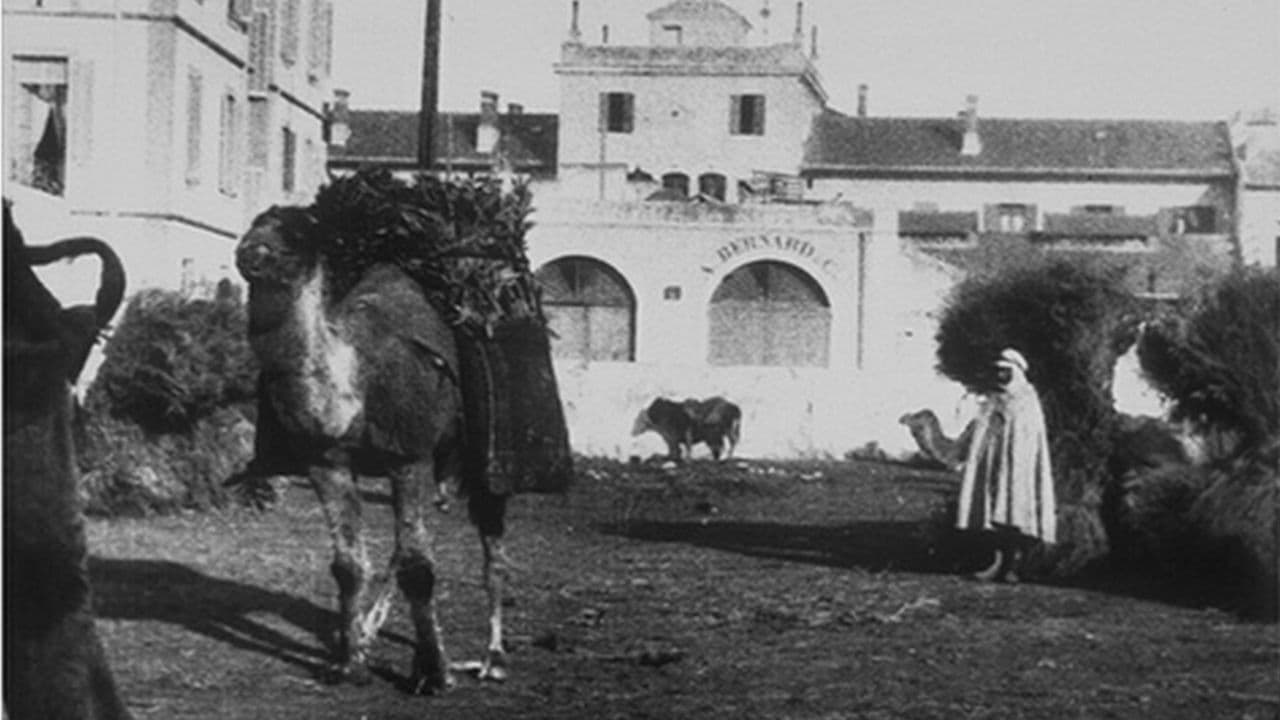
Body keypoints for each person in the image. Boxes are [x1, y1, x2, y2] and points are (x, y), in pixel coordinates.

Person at [956, 348, 1057, 582]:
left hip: (1020, 468)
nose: (1000, 375)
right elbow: (984, 432)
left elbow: (1030, 435)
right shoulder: (994, 398)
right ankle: (996, 562)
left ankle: (1013, 566)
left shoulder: (1027, 398)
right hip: (995, 464)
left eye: (1005, 371)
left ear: (1016, 371)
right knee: (993, 511)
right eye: (998, 370)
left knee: (1016, 511)